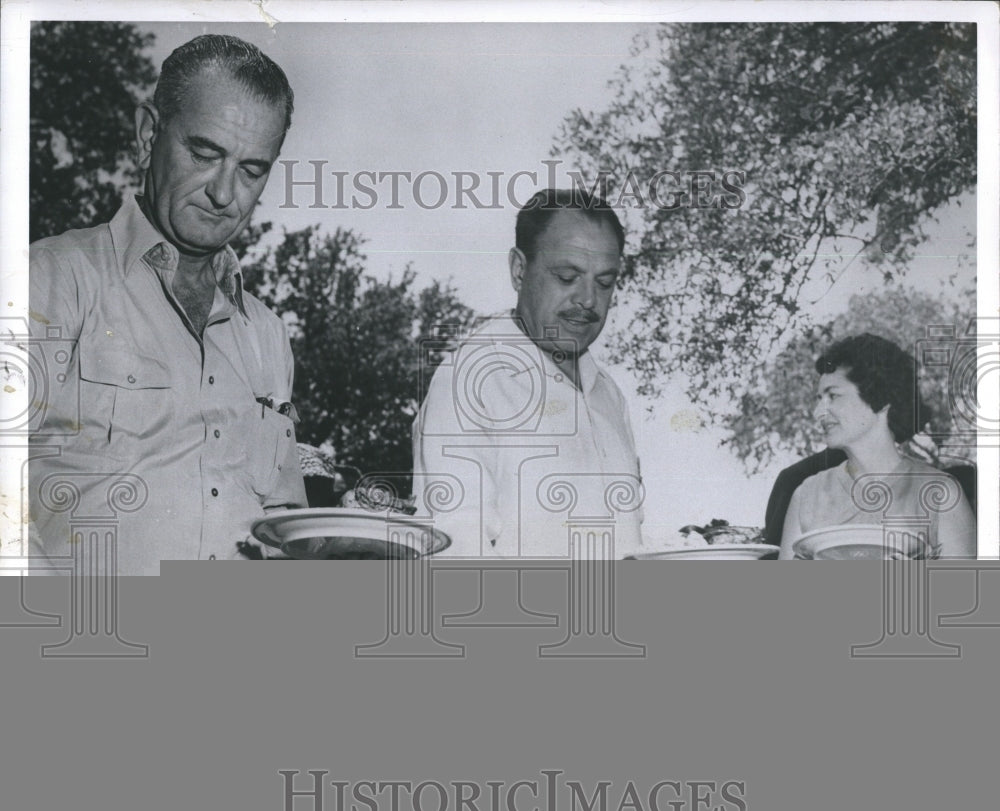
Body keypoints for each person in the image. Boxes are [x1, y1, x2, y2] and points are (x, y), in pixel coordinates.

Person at [28, 35, 306, 574]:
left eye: (252, 170)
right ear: (148, 134)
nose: (224, 194)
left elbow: (284, 521)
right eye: (204, 154)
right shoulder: (51, 278)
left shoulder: (268, 334)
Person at [412, 189, 644, 558]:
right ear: (519, 270)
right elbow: (456, 556)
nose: (588, 299)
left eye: (604, 283)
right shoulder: (469, 380)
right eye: (567, 276)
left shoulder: (610, 396)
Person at [778, 333, 975, 559]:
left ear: (880, 398)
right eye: (819, 399)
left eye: (833, 396)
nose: (818, 413)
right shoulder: (806, 496)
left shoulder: (943, 495)